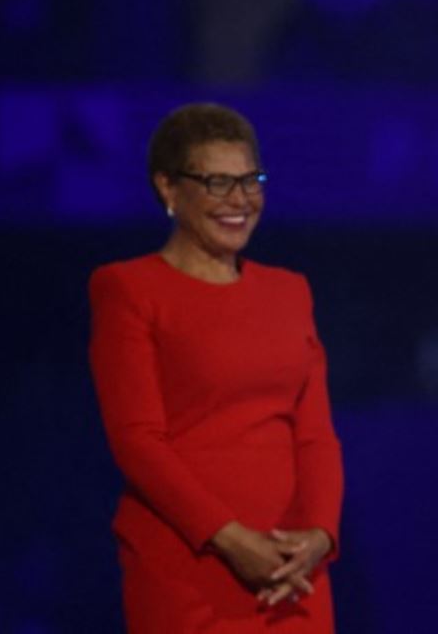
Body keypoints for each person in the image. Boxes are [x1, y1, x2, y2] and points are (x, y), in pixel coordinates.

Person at [89, 103, 344, 631]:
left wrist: (319, 535)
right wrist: (230, 539)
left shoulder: (290, 291)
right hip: (190, 567)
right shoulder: (128, 289)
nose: (240, 201)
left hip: (292, 576)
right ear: (168, 188)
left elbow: (316, 435)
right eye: (217, 183)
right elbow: (137, 440)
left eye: (251, 181)